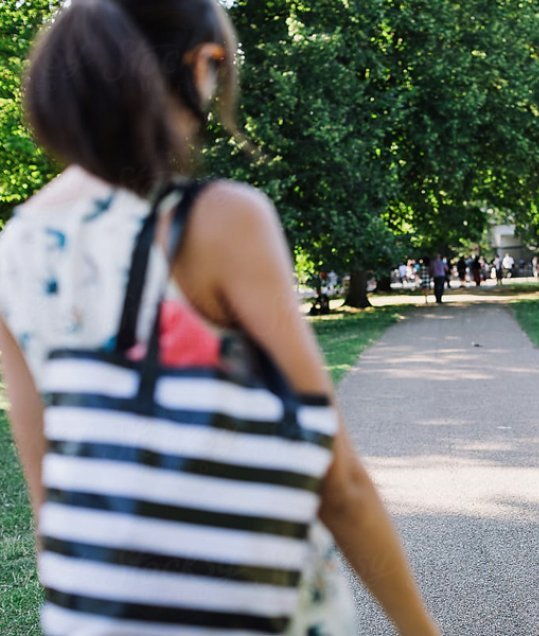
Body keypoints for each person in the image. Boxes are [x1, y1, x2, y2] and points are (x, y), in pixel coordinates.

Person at [0, 2, 438, 635]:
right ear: (204, 66)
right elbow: (335, 476)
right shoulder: (218, 220)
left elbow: (51, 497)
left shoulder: (18, 242)